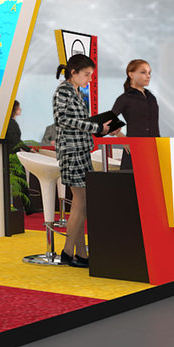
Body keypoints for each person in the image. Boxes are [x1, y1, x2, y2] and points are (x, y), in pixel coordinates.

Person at [52, 54, 110, 268]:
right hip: (72, 151)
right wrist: (95, 127)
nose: (89, 79)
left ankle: (81, 254)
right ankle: (68, 252)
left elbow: (77, 121)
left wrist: (100, 128)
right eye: (86, 74)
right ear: (73, 72)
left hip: (81, 149)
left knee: (81, 203)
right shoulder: (63, 91)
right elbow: (62, 119)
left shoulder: (76, 91)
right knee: (81, 201)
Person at [110, 59, 159, 170]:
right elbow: (108, 120)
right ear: (131, 74)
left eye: (149, 73)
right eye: (143, 72)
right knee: (132, 180)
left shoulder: (151, 97)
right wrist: (122, 138)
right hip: (134, 149)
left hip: (154, 149)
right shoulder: (124, 98)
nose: (148, 76)